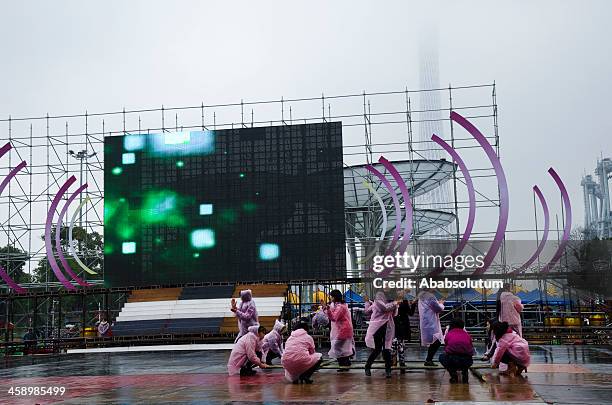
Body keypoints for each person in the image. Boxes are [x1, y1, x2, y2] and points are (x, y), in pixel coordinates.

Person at [364, 291, 398, 378]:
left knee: (387, 349)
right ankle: (367, 366)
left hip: (387, 326)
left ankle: (388, 370)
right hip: (377, 327)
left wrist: (395, 305)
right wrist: (395, 303)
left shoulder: (391, 299)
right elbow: (384, 308)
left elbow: (394, 314)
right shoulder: (378, 297)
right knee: (377, 349)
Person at [321, 289, 355, 371]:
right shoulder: (339, 305)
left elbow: (334, 317)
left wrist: (327, 308)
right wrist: (326, 308)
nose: (330, 298)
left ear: (334, 297)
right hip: (342, 329)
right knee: (341, 348)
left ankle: (345, 364)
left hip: (343, 330)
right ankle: (344, 364)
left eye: (331, 297)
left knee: (337, 348)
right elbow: (331, 314)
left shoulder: (340, 307)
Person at [439, 318, 475, 384]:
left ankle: (453, 374)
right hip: (467, 360)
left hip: (453, 360)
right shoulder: (467, 335)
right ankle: (465, 373)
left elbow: (446, 347)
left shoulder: (449, 334)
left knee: (441, 357)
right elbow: (470, 347)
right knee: (465, 359)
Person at [417, 288, 445, 366]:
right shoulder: (430, 296)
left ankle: (429, 360)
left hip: (426, 322)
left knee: (434, 342)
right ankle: (428, 360)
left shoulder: (422, 296)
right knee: (437, 341)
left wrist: (437, 303)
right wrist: (441, 304)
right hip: (431, 323)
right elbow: (437, 309)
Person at [392, 290, 417, 373]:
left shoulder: (404, 301)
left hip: (400, 324)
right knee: (397, 342)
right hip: (397, 324)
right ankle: (398, 361)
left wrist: (413, 304)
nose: (401, 293)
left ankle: (398, 361)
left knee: (399, 342)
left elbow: (410, 313)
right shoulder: (393, 301)